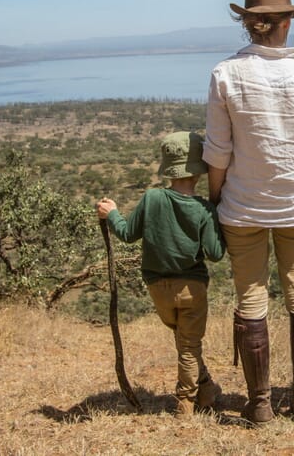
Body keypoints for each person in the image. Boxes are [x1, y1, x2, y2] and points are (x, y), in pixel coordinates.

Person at [203, 0, 294, 424]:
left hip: (242, 207)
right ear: (287, 22)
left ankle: (259, 404)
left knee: (251, 299)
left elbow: (218, 152)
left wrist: (217, 200)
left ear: (248, 23)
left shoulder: (225, 74)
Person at [96, 131, 225, 417]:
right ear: (199, 169)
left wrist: (112, 213)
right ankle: (185, 403)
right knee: (189, 347)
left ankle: (207, 389)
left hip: (158, 288)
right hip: (192, 288)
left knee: (184, 342)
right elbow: (215, 253)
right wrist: (219, 218)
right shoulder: (204, 209)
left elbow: (127, 234)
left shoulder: (152, 198)